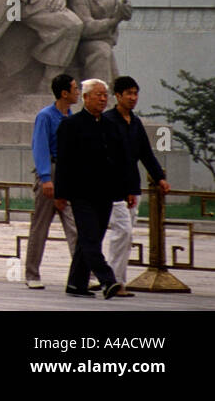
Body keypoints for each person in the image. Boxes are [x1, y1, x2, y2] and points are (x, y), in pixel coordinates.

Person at [54, 79, 128, 298]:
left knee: (92, 237)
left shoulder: (110, 125)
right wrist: (60, 193)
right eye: (98, 95)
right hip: (80, 193)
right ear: (85, 97)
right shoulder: (71, 125)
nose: (103, 99)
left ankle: (76, 284)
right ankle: (108, 280)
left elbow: (119, 159)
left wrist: (126, 189)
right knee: (90, 238)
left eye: (105, 95)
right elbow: (64, 162)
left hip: (105, 192)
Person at [102, 76, 169, 294]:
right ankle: (113, 281)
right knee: (122, 232)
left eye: (135, 93)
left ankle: (115, 279)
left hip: (132, 186)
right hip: (114, 189)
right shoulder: (107, 121)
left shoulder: (135, 122)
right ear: (118, 96)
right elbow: (110, 159)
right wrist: (125, 190)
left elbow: (145, 154)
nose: (133, 97)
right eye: (128, 93)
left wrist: (159, 177)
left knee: (125, 235)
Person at [24, 74, 80, 289]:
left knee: (75, 227)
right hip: (51, 171)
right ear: (64, 93)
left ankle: (82, 274)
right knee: (40, 227)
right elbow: (40, 147)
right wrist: (46, 178)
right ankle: (32, 274)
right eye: (74, 89)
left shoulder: (72, 117)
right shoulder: (45, 116)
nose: (77, 92)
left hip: (68, 174)